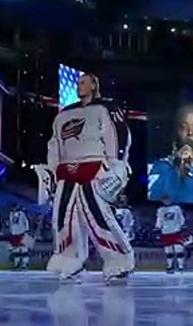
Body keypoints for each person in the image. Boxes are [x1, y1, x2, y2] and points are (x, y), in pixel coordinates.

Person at [43, 72, 134, 284]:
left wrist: (117, 165)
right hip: (67, 172)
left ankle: (119, 260)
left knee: (99, 216)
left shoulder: (106, 108)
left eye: (84, 82)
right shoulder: (65, 113)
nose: (79, 86)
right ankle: (69, 259)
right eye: (78, 83)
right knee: (63, 217)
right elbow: (55, 143)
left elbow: (118, 135)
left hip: (94, 168)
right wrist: (52, 169)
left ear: (94, 85)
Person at [155, 195, 186, 274]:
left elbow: (181, 217)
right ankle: (169, 266)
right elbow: (159, 219)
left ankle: (180, 266)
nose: (166, 201)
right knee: (168, 251)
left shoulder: (176, 208)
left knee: (178, 249)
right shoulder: (160, 210)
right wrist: (157, 228)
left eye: (167, 199)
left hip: (176, 231)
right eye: (164, 200)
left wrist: (182, 225)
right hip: (165, 232)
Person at [9, 204, 30, 270]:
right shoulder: (11, 214)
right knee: (16, 250)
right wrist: (11, 231)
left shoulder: (22, 214)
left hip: (22, 232)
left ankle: (25, 264)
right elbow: (11, 223)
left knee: (24, 249)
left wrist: (26, 230)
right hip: (14, 233)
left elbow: (26, 221)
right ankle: (16, 264)